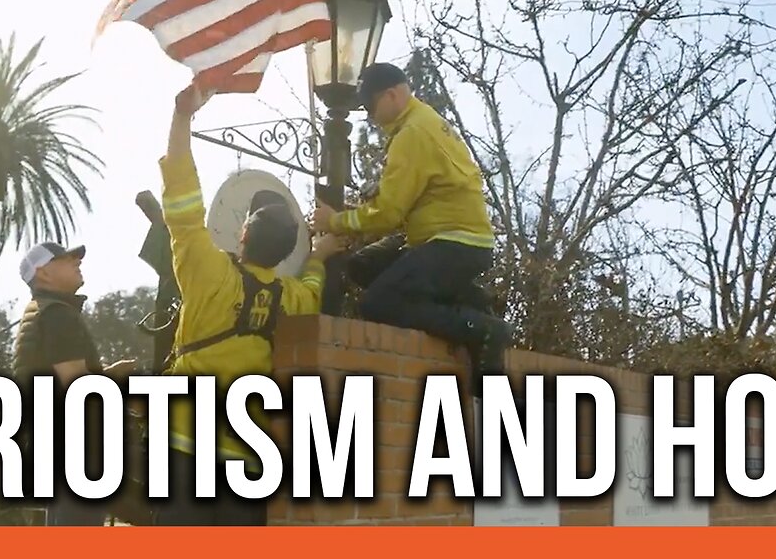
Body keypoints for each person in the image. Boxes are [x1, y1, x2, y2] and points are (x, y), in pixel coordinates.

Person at [153, 85, 343, 526]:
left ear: (241, 234)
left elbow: (181, 198)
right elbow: (313, 287)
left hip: (184, 442)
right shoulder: (291, 297)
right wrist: (320, 255)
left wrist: (182, 117)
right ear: (284, 255)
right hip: (249, 457)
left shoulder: (208, 271)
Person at [311, 62, 512, 396]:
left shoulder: (411, 134)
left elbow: (389, 214)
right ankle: (470, 300)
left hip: (453, 242)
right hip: (456, 239)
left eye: (372, 107)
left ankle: (483, 329)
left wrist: (335, 221)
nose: (372, 117)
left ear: (391, 95)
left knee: (379, 302)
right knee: (364, 267)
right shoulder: (426, 121)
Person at [12, 241, 138, 526]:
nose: (76, 261)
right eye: (66, 259)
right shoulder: (58, 314)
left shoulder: (42, 311)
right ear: (43, 273)